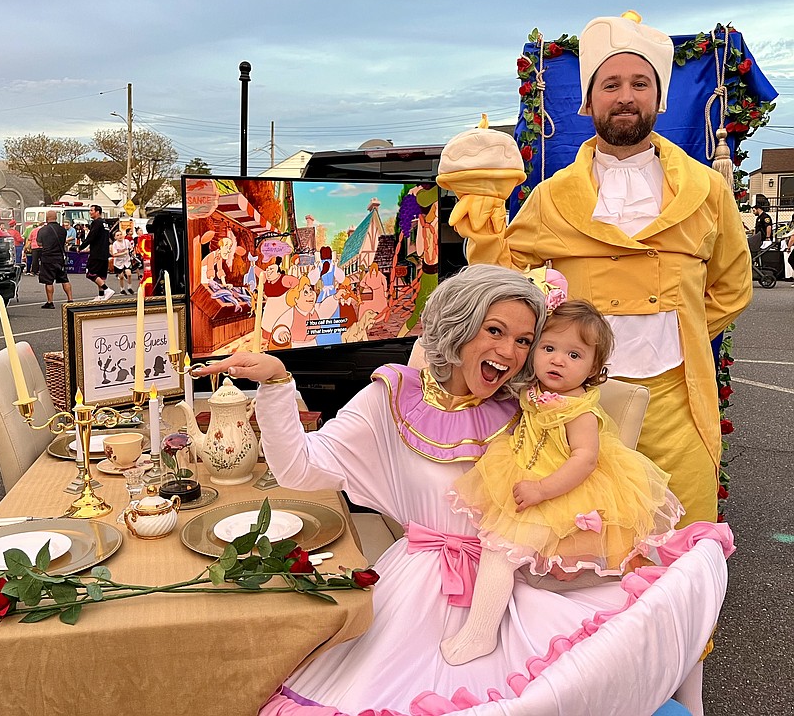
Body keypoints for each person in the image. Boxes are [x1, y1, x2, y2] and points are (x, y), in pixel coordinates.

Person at [195, 265, 723, 716]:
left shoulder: (531, 406)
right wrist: (277, 385)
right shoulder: (392, 398)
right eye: (494, 331)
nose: (510, 352)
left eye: (523, 340)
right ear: (459, 326)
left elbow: (580, 481)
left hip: (514, 581)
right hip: (421, 588)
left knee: (645, 623)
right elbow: (301, 471)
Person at [440, 13, 753, 527]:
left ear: (660, 98)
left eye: (639, 83)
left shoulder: (707, 190)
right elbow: (504, 282)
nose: (625, 96)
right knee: (584, 538)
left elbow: (732, 286)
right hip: (577, 403)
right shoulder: (553, 196)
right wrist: (483, 220)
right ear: (589, 101)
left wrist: (685, 330)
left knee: (684, 535)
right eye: (611, 84)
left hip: (674, 395)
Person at [442, 295, 683, 666]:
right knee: (499, 547)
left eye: (574, 355)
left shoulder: (580, 410)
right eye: (549, 347)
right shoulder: (537, 392)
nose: (557, 359)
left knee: (500, 552)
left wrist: (542, 489)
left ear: (592, 369)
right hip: (524, 469)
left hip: (560, 488)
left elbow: (584, 460)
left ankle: (480, 634)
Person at [36, 210, 73, 308]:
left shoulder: (43, 230)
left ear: (47, 218)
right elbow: (63, 241)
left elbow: (39, 243)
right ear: (56, 217)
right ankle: (70, 299)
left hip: (48, 258)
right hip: (60, 257)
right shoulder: (62, 230)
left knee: (48, 281)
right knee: (64, 279)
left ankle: (50, 302)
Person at [78, 204, 114, 301]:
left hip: (97, 253)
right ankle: (101, 295)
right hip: (104, 253)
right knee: (101, 275)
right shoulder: (105, 223)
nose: (90, 212)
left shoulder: (96, 223)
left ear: (97, 212)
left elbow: (91, 236)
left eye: (91, 210)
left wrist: (81, 247)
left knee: (90, 273)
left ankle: (107, 289)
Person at [110, 230, 134, 294]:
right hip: (118, 262)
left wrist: (132, 252)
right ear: (115, 237)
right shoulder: (115, 244)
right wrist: (123, 253)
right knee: (121, 277)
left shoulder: (126, 241)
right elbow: (114, 254)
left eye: (120, 234)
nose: (120, 236)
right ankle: (122, 289)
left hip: (126, 261)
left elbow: (131, 248)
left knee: (129, 274)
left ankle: (129, 287)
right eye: (117, 235)